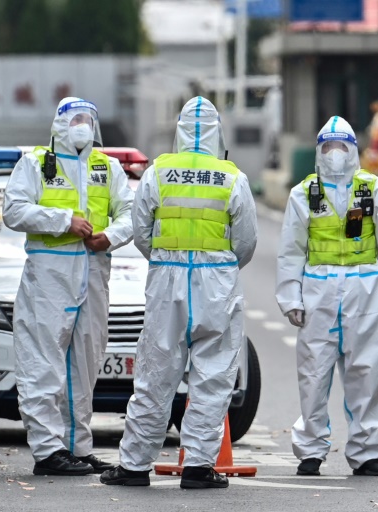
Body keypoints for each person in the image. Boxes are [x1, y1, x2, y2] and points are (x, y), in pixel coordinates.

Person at [100, 96, 258, 489]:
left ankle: (135, 466)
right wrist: (218, 265)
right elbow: (246, 242)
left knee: (155, 372)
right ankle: (198, 468)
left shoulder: (158, 172)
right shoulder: (232, 177)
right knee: (214, 375)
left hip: (167, 279)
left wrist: (166, 258)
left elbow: (140, 232)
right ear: (218, 131)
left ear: (180, 129)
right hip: (217, 282)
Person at [3, 97, 131, 476]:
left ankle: (77, 447)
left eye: (89, 118)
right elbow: (13, 211)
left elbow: (131, 212)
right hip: (50, 275)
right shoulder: (35, 164)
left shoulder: (107, 167)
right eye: (75, 118)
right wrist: (63, 220)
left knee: (85, 365)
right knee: (42, 363)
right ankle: (47, 451)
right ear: (59, 123)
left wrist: (110, 235)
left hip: (94, 272)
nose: (83, 124)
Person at [276, 116, 378, 477]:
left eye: (341, 147)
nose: (335, 154)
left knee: (368, 370)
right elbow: (291, 250)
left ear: (353, 150)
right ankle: (311, 451)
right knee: (313, 372)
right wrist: (291, 298)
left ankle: (365, 452)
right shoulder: (303, 193)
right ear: (319, 151)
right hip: (318, 286)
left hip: (365, 285)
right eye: (328, 147)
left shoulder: (376, 189)